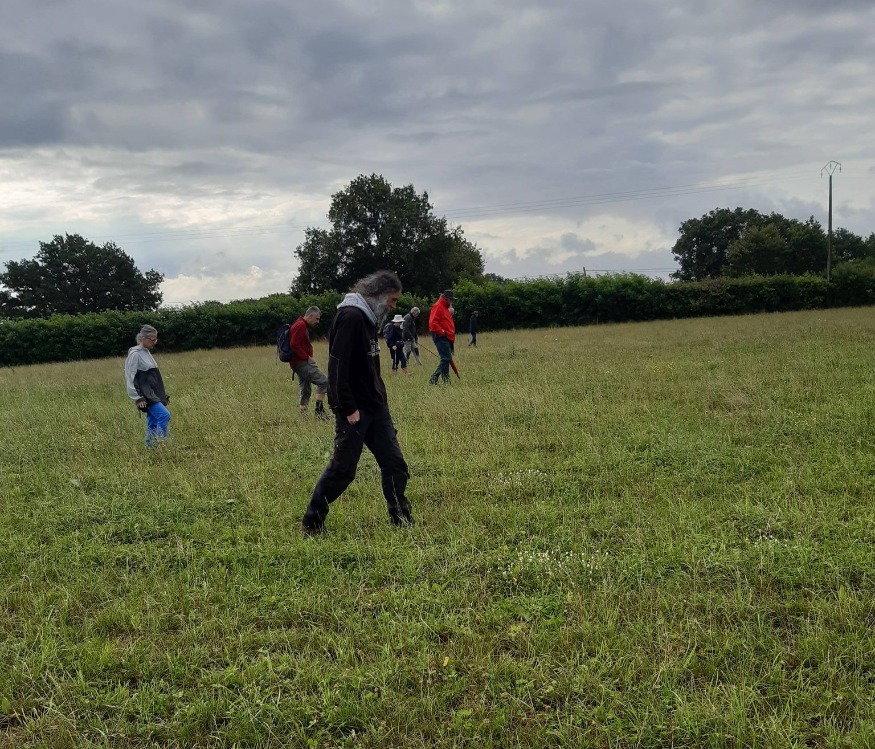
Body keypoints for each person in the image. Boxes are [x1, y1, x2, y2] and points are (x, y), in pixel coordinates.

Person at [301, 270, 413, 534]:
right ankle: (312, 522)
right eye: (393, 300)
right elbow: (337, 367)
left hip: (376, 407)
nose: (394, 306)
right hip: (354, 410)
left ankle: (401, 519)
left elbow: (370, 367)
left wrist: (380, 398)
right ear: (379, 294)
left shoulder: (369, 318)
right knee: (343, 470)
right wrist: (347, 408)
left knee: (395, 464)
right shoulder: (351, 317)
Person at [124, 324, 171, 447]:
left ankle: (150, 448)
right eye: (152, 339)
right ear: (142, 338)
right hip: (146, 396)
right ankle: (161, 444)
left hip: (153, 394)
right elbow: (130, 377)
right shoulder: (135, 354)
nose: (155, 342)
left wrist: (163, 395)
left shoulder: (146, 352)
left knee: (153, 421)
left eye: (156, 339)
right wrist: (138, 398)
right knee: (164, 415)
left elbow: (153, 379)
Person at [289, 306, 329, 419]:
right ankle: (319, 411)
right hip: (301, 362)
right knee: (324, 381)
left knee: (306, 389)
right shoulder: (301, 325)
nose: (318, 321)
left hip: (297, 362)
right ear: (310, 316)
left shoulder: (299, 323)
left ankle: (303, 416)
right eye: (317, 318)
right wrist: (306, 357)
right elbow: (293, 344)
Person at [428, 289, 456, 385]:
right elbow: (433, 323)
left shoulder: (444, 307)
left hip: (446, 337)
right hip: (441, 337)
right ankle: (433, 378)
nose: (452, 302)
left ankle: (446, 380)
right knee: (446, 358)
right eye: (451, 299)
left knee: (446, 358)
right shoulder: (438, 306)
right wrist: (441, 332)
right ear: (447, 299)